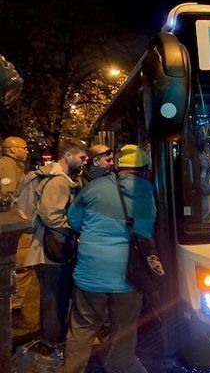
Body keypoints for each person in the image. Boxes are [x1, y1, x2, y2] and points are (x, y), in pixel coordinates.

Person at [65, 144, 156, 373]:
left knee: (83, 327)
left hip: (90, 274)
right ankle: (117, 367)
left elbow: (73, 221)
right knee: (124, 328)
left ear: (119, 166)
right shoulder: (147, 191)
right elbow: (146, 231)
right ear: (144, 168)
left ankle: (73, 369)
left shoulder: (94, 187)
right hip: (128, 275)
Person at [23, 138, 87, 355]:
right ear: (68, 156)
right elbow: (52, 217)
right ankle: (51, 343)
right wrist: (76, 227)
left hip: (51, 248)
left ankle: (52, 339)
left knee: (56, 296)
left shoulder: (60, 177)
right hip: (50, 251)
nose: (84, 161)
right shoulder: (58, 181)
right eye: (81, 157)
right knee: (53, 298)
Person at [0, 136, 32, 327]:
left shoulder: (11, 166)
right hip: (13, 230)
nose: (27, 150)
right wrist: (23, 217)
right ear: (12, 150)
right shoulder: (7, 167)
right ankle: (13, 310)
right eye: (24, 147)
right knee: (21, 266)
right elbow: (7, 198)